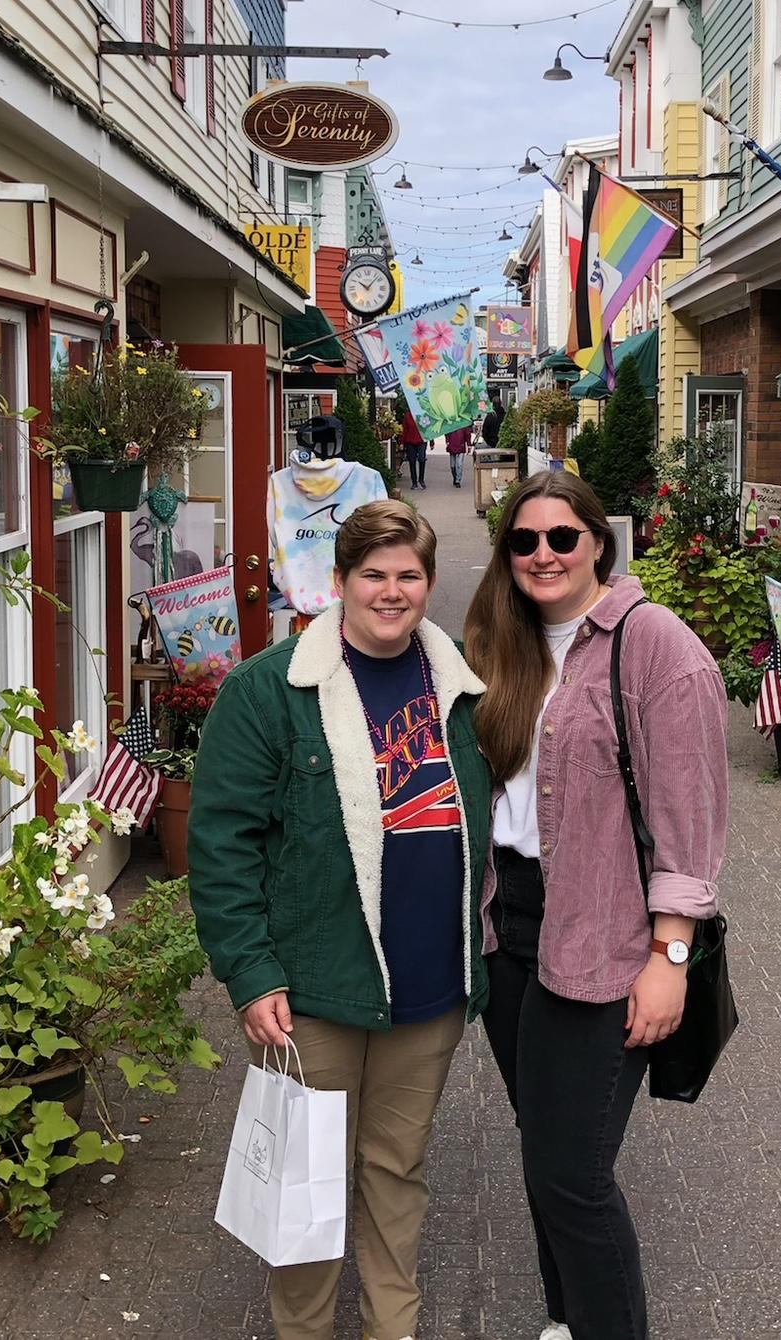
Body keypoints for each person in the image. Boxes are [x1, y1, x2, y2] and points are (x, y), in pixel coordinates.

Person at [189, 500, 492, 1340]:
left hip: (428, 987)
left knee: (397, 1172)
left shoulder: (460, 683)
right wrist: (251, 975)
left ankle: (393, 1329)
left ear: (429, 583)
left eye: (409, 575)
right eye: (374, 575)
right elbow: (220, 849)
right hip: (312, 992)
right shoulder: (268, 692)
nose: (391, 592)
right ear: (340, 583)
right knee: (308, 1186)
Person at [463, 472, 728, 1340]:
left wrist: (670, 957)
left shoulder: (657, 648)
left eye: (562, 537)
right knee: (544, 1152)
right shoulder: (504, 644)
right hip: (511, 927)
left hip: (611, 938)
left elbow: (689, 823)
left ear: (599, 544)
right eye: (524, 540)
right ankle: (565, 1319)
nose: (543, 554)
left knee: (573, 1172)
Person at [399, 407, 428, 489]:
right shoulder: (408, 415)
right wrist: (401, 442)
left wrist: (431, 441)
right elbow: (404, 429)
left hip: (422, 441)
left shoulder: (423, 414)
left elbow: (428, 428)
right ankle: (414, 482)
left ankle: (421, 480)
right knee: (412, 461)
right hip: (410, 442)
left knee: (422, 459)